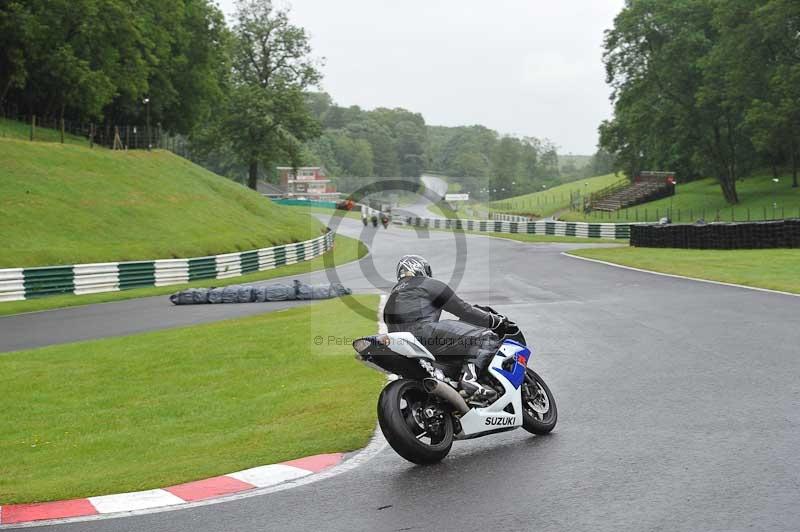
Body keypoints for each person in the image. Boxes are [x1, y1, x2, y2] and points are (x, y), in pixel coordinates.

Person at [383, 254, 508, 400]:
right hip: (426, 333)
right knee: (485, 336)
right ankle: (469, 380)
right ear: (420, 269)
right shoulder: (428, 284)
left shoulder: (393, 295)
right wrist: (495, 321)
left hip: (403, 346)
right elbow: (464, 310)